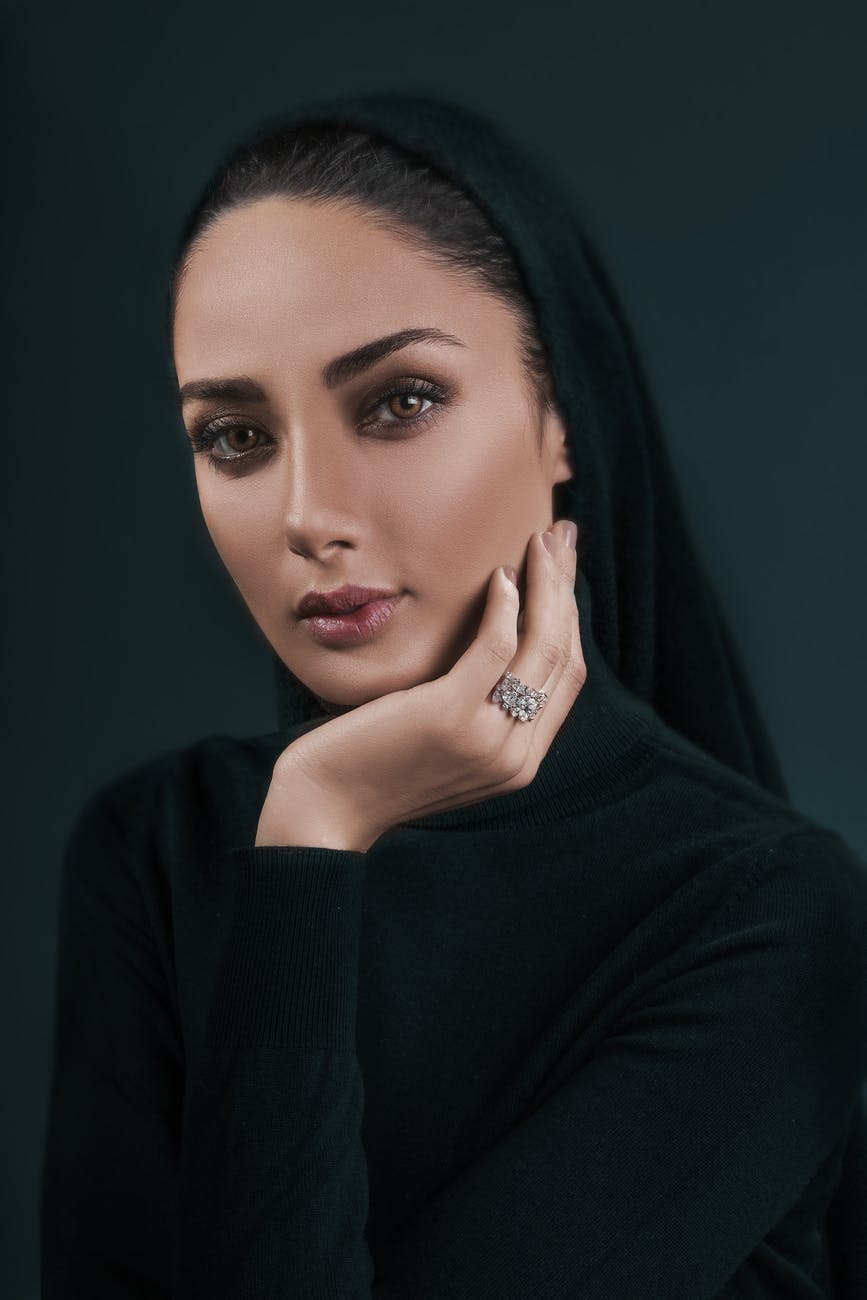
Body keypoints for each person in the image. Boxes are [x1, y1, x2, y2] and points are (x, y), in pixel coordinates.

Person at [40, 90, 867, 1299]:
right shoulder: (152, 853)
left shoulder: (771, 915)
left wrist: (316, 839)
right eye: (233, 437)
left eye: (398, 402)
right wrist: (309, 829)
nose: (308, 516)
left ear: (563, 417)